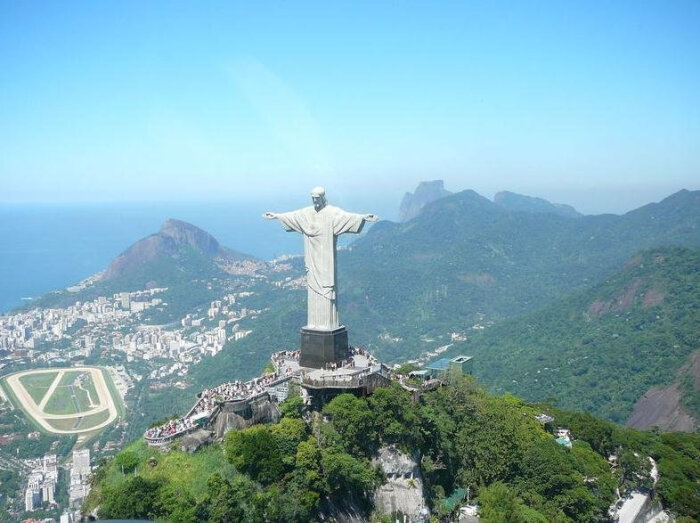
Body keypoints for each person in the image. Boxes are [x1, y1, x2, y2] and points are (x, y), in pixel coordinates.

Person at [264, 187, 377, 330]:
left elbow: (347, 217)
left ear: (323, 198)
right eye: (313, 199)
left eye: (317, 199)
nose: (315, 201)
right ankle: (314, 324)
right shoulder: (306, 214)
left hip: (326, 262)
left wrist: (363, 217)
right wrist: (276, 216)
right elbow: (293, 216)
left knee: (326, 291)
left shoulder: (332, 213)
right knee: (313, 291)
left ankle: (328, 324)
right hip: (312, 261)